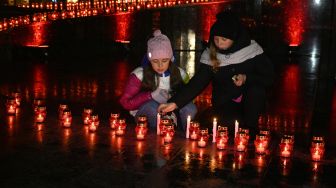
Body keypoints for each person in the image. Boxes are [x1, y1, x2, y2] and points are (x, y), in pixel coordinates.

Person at [158, 11, 274, 136]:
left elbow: (269, 78)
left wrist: (246, 78)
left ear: (235, 38)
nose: (219, 43)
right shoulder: (211, 55)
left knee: (255, 92)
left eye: (224, 39)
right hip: (225, 102)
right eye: (216, 39)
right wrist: (175, 103)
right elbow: (197, 83)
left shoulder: (252, 51)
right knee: (228, 126)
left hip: (250, 100)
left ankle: (251, 130)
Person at [119, 29, 197, 130]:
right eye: (155, 61)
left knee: (190, 108)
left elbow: (191, 97)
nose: (160, 65)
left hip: (172, 113)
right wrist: (150, 96)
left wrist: (175, 98)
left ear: (170, 59)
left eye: (164, 61)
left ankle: (183, 135)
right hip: (147, 113)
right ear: (149, 59)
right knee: (152, 107)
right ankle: (156, 136)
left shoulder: (180, 73)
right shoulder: (139, 75)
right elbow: (125, 102)